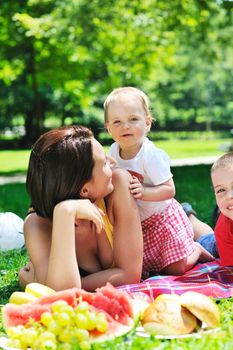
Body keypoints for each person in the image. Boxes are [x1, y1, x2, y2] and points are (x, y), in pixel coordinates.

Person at [104, 86, 214, 279]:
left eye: (133, 119)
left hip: (162, 219)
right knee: (151, 268)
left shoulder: (150, 155)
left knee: (175, 269)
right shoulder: (113, 151)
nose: (125, 126)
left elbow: (169, 190)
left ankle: (195, 250)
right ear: (108, 128)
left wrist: (144, 192)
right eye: (117, 122)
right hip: (140, 224)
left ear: (147, 122)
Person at [19, 125, 143, 291]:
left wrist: (42, 283)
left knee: (188, 227)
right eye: (105, 162)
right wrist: (65, 212)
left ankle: (189, 213)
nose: (113, 162)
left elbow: (130, 275)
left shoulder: (118, 183)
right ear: (85, 190)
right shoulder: (38, 225)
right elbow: (64, 296)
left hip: (160, 227)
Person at [211, 152, 233, 266]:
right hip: (220, 243)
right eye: (221, 190)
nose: (229, 195)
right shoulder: (223, 230)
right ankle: (188, 216)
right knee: (206, 242)